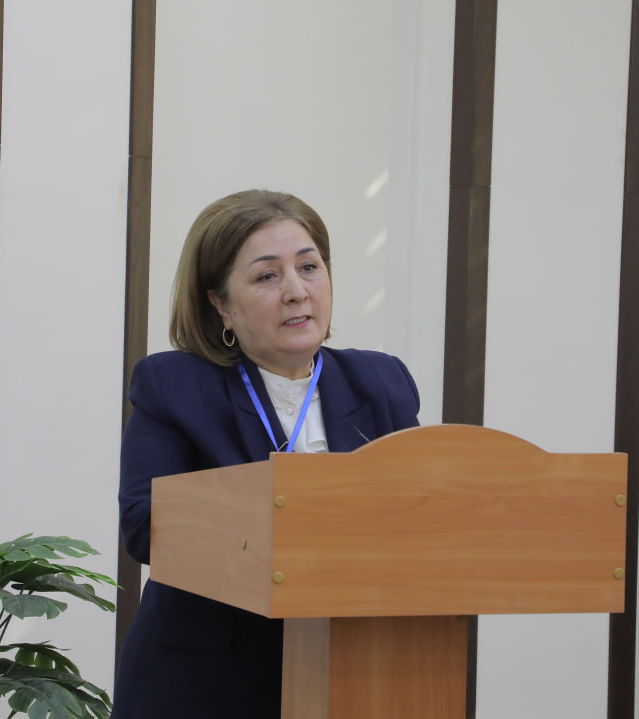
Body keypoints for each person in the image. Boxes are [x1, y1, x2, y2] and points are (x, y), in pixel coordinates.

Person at [111, 189, 421, 719]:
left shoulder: (380, 380)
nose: (297, 292)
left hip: (358, 671)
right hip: (209, 684)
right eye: (267, 276)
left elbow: (426, 514)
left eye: (309, 267)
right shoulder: (176, 385)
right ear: (221, 303)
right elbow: (145, 527)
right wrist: (288, 509)